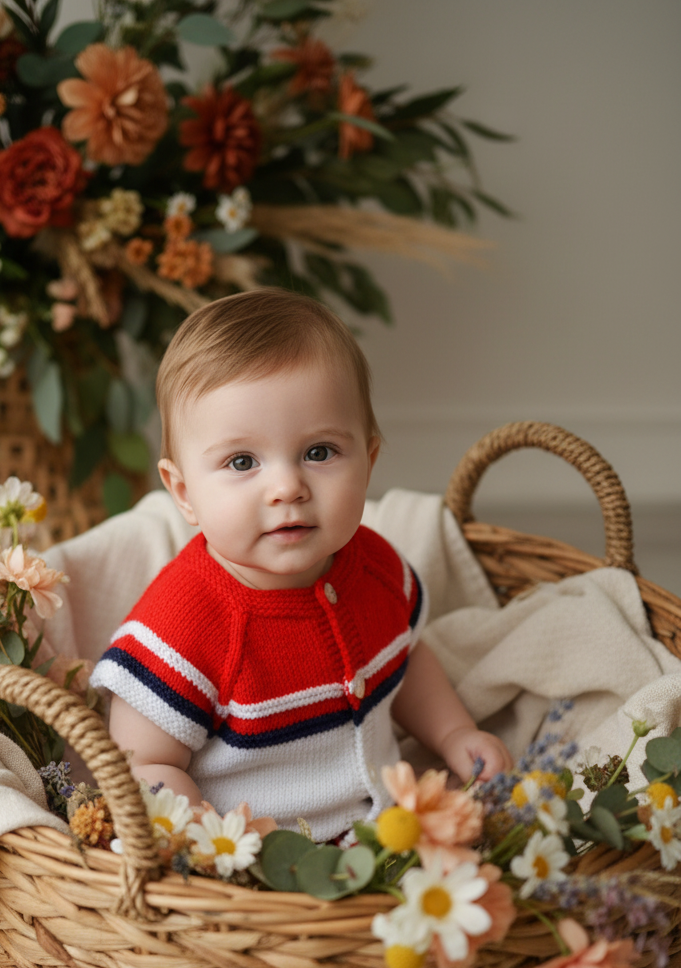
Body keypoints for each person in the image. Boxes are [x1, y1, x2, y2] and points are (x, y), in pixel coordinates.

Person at [91, 289, 510, 840]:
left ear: (369, 460)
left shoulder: (377, 568)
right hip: (263, 868)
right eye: (242, 462)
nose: (287, 487)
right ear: (184, 492)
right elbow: (142, 763)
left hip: (387, 835)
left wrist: (454, 733)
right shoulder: (185, 626)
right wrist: (202, 844)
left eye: (319, 452)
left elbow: (404, 659)